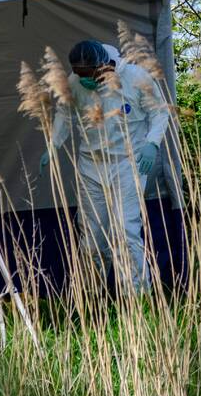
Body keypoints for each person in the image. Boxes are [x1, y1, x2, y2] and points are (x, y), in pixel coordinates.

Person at [40, 40, 169, 291]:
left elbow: (159, 112)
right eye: (79, 74)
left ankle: (136, 295)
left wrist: (152, 143)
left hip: (128, 162)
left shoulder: (135, 76)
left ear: (102, 66)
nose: (83, 80)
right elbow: (65, 113)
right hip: (91, 164)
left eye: (88, 75)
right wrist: (53, 144)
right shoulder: (76, 81)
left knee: (125, 229)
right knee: (91, 233)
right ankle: (92, 295)